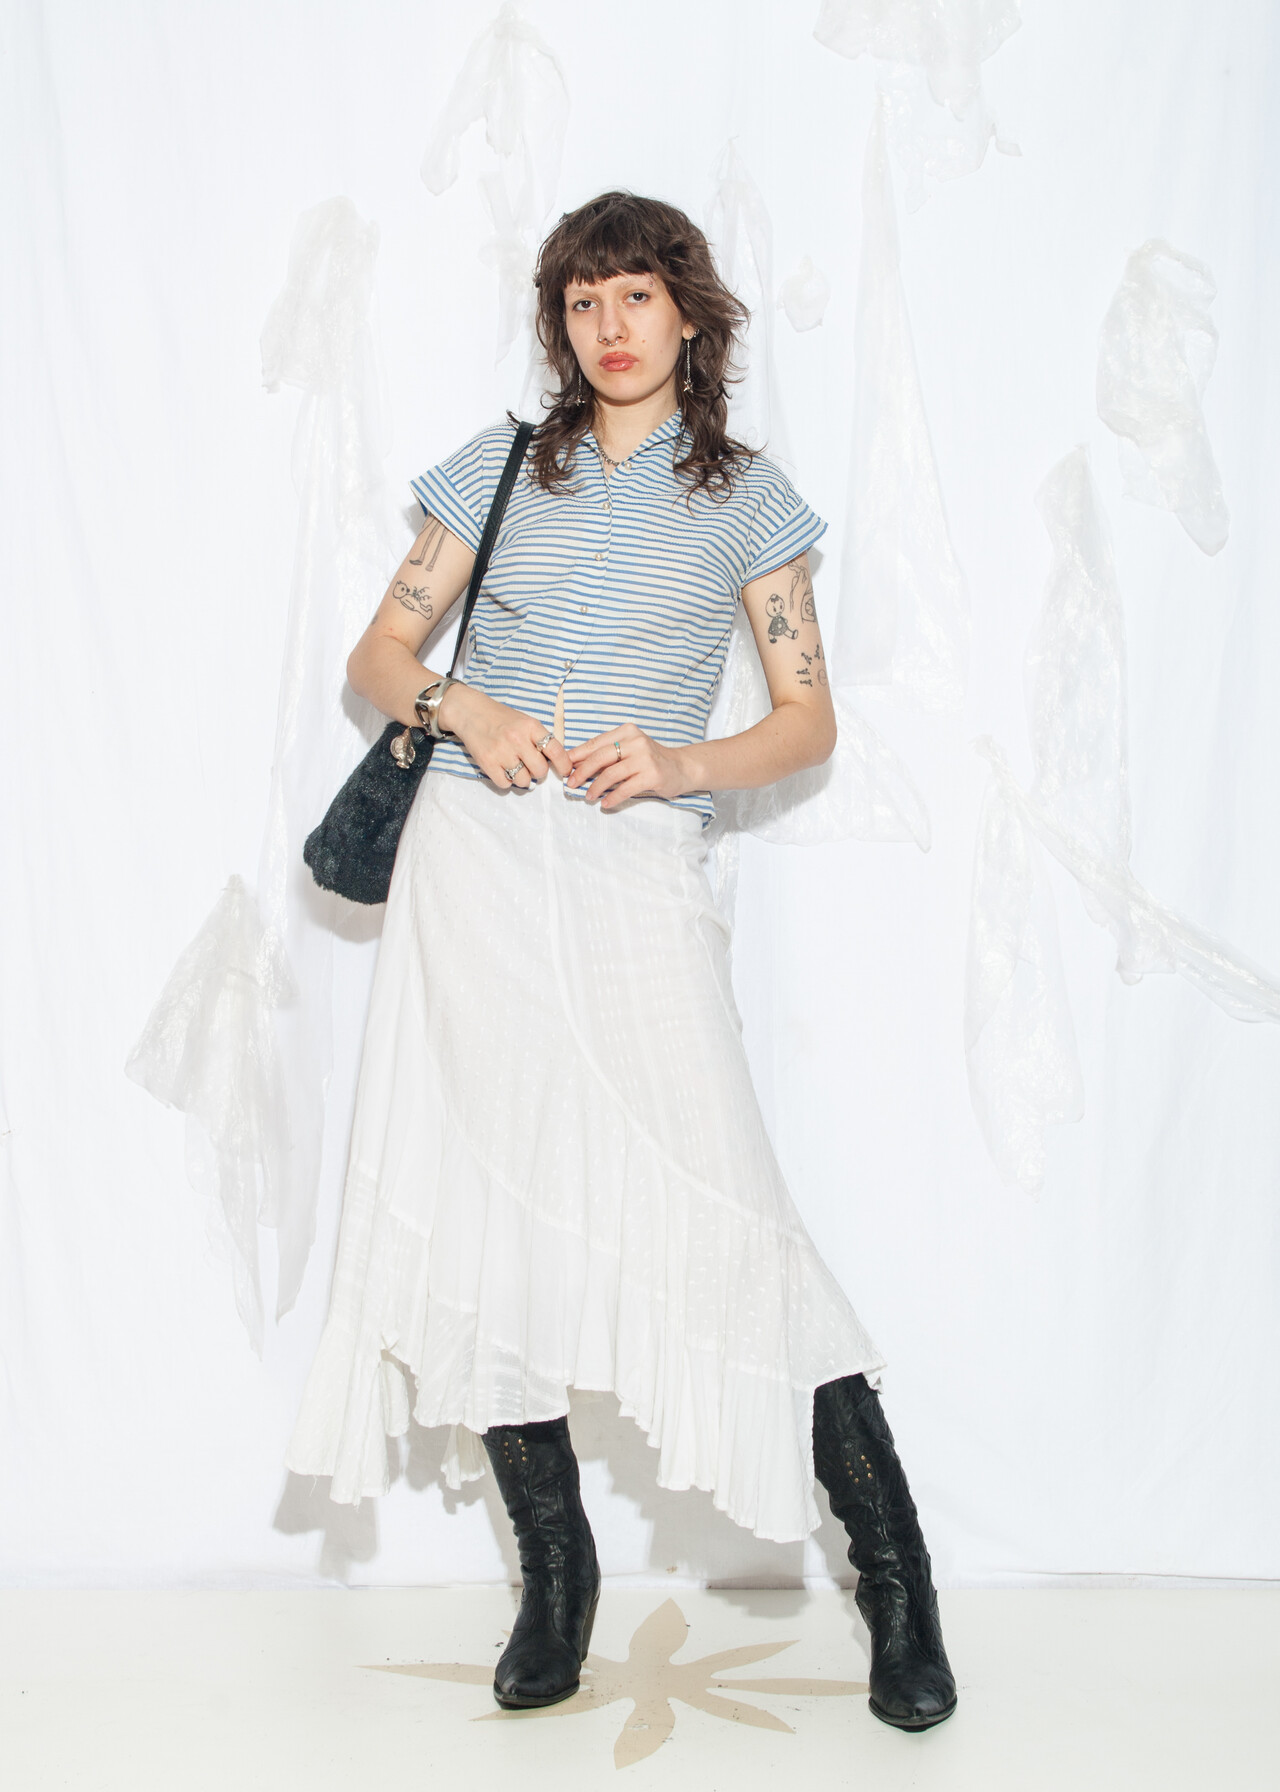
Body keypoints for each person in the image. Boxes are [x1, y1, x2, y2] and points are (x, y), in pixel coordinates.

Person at [285, 191, 956, 1733]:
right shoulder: (502, 464)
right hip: (472, 865)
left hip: (634, 863)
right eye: (583, 301)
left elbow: (809, 722)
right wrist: (467, 708)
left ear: (688, 314)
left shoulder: (749, 499)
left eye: (635, 295)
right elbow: (380, 655)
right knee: (488, 1208)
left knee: (733, 1211)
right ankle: (556, 1579)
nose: (609, 325)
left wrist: (680, 762)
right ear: (560, 323)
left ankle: (897, 1580)